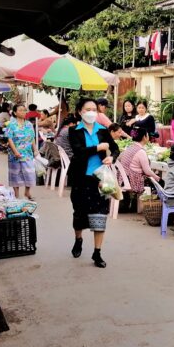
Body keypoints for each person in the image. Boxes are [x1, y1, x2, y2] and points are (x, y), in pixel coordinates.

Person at [67, 98, 119, 268]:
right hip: (81, 179)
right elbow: (79, 152)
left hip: (100, 179)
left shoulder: (103, 131)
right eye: (87, 109)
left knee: (100, 214)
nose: (91, 112)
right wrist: (98, 148)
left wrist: (112, 156)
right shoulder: (74, 131)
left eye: (94, 109)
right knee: (79, 213)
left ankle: (97, 253)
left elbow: (115, 147)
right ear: (80, 112)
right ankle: (78, 239)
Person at [118, 126, 160, 211]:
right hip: (132, 180)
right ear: (144, 137)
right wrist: (157, 178)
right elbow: (147, 171)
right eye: (147, 135)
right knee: (156, 182)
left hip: (123, 178)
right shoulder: (140, 151)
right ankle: (150, 208)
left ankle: (135, 205)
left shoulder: (130, 147)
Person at [5, 102, 38, 200]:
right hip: (14, 154)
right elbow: (9, 139)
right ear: (15, 113)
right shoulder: (11, 125)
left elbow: (32, 138)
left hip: (27, 153)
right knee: (15, 174)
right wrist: (15, 152)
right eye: (20, 110)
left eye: (24, 110)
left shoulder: (29, 124)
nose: (23, 112)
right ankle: (16, 194)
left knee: (30, 173)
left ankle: (27, 192)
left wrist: (35, 149)